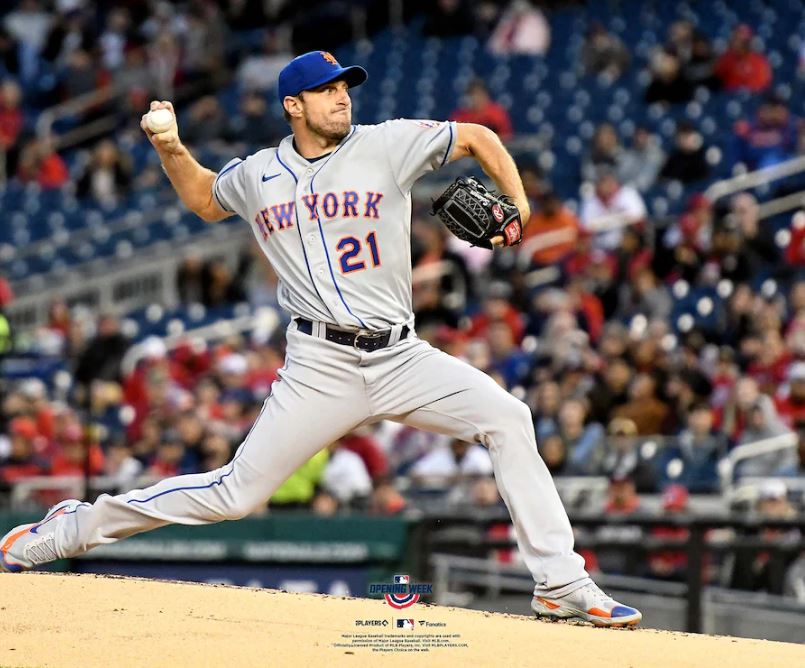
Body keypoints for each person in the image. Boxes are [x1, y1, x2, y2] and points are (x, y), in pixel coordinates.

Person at [0, 50, 641, 627]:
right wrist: (170, 147)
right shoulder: (258, 174)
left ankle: (560, 583)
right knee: (234, 495)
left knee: (508, 417)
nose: (343, 97)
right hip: (318, 365)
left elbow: (475, 136)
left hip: (400, 354)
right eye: (328, 89)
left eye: (345, 87)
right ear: (293, 105)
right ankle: (71, 528)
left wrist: (520, 205)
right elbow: (203, 199)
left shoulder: (386, 145)